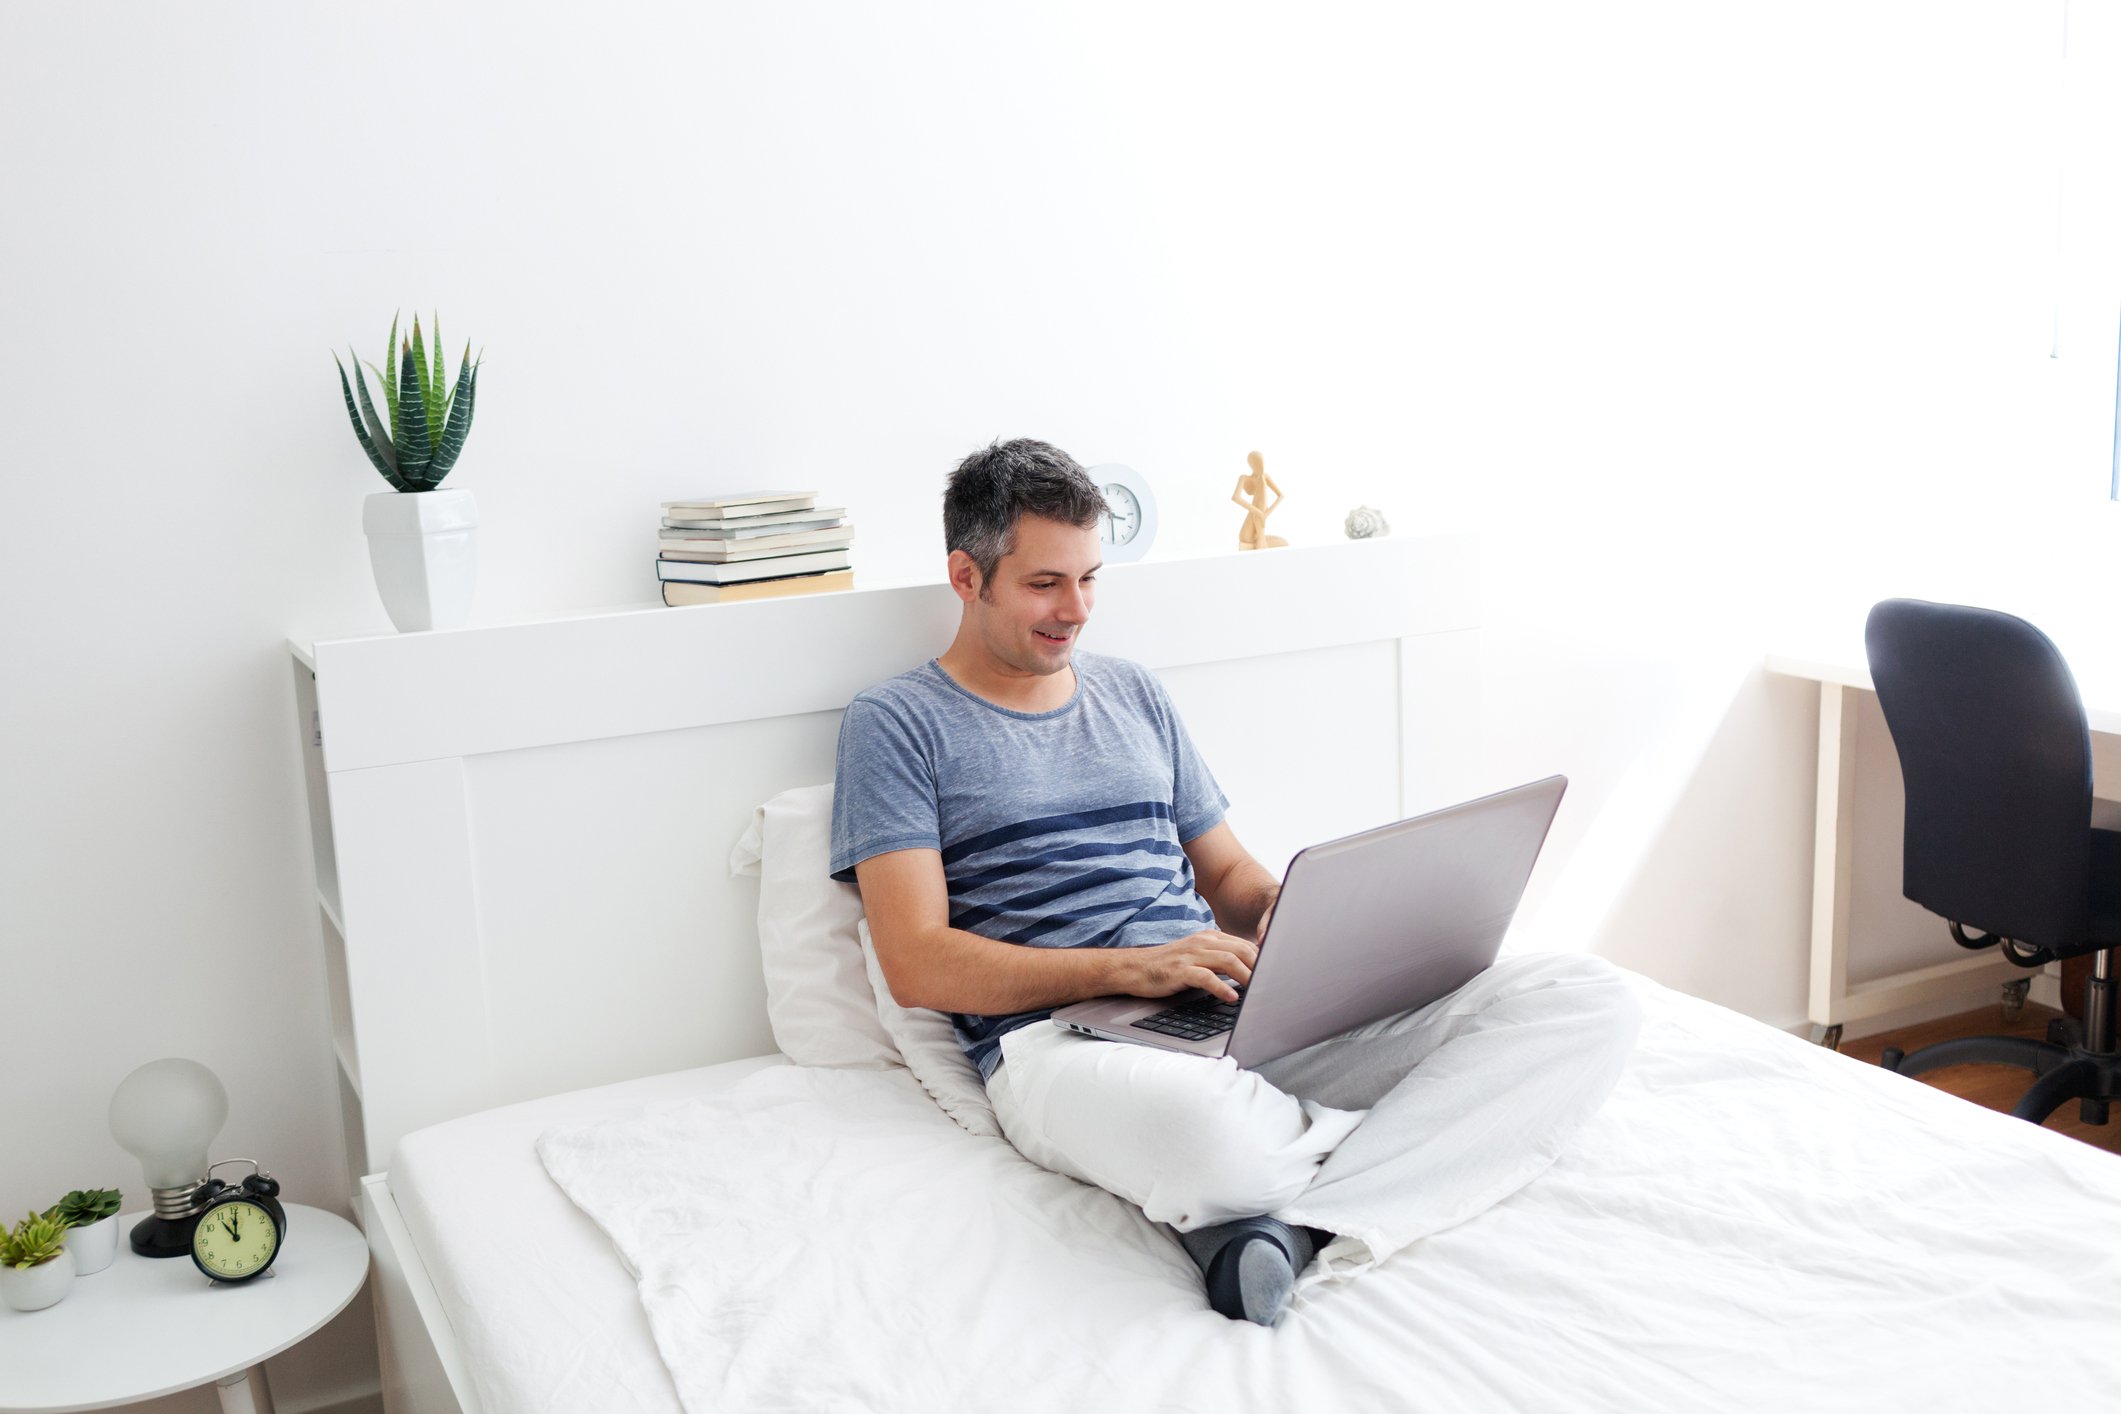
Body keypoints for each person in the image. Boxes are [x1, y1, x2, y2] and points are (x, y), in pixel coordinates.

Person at [830, 438, 1641, 1327]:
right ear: (965, 575)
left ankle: (1287, 1231)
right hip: (1056, 1043)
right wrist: (1123, 971)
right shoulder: (895, 722)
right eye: (1044, 584)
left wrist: (1304, 921)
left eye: (1091, 579)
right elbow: (917, 962)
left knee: (1583, 999)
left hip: (1222, 1007)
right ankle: (1373, 1159)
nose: (1076, 610)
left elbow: (1227, 874)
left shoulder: (1132, 692)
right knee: (1213, 1143)